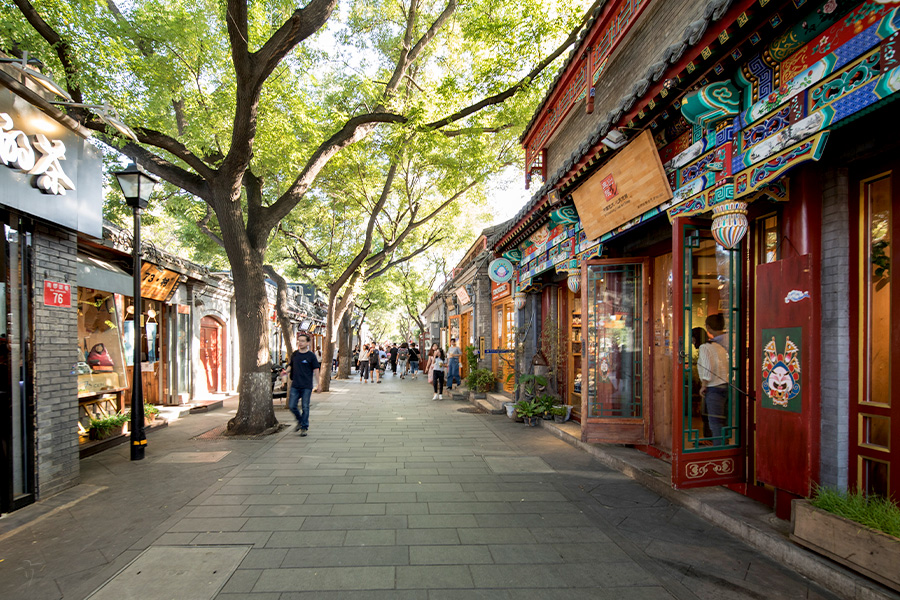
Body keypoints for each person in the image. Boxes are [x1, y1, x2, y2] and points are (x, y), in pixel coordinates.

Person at [697, 314, 729, 445]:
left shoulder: (705, 347)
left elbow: (708, 369)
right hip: (726, 384)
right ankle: (725, 446)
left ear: (708, 327)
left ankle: (718, 449)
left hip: (713, 387)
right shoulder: (720, 346)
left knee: (715, 422)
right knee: (723, 421)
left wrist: (703, 385)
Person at [288, 333, 319, 436]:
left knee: (305, 407)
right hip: (295, 385)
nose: (300, 343)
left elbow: (316, 370)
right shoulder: (295, 354)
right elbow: (290, 366)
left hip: (306, 386)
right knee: (292, 406)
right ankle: (300, 421)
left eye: (302, 341)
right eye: (299, 341)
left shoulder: (311, 356)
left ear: (308, 343)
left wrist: (319, 384)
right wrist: (285, 371)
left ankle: (304, 427)